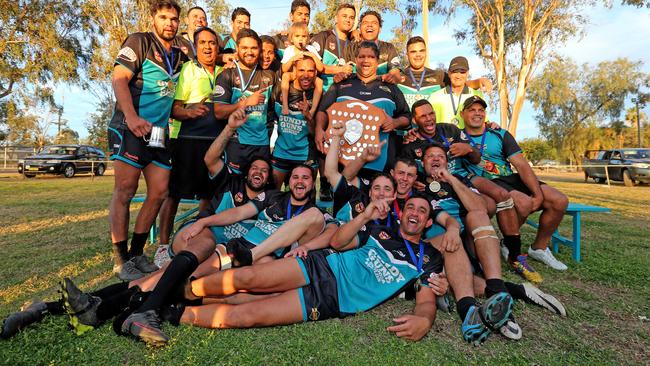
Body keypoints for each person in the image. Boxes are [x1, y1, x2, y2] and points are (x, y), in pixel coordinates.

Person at [107, 0, 188, 281]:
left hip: (159, 133)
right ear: (153, 18)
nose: (170, 23)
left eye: (174, 18)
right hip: (131, 127)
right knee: (125, 190)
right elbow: (119, 79)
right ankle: (121, 260)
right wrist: (131, 117)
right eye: (164, 17)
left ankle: (138, 253)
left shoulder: (179, 53)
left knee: (159, 192)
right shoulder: (139, 41)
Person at [460, 95, 569, 271]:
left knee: (559, 200)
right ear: (463, 114)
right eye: (472, 110)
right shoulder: (457, 136)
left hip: (510, 178)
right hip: (487, 183)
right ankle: (510, 242)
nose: (477, 113)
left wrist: (538, 194)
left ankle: (538, 248)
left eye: (481, 110)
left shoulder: (499, 133)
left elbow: (521, 164)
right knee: (524, 203)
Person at [156, 27, 223, 259]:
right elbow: (174, 109)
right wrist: (190, 111)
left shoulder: (225, 71)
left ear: (218, 46)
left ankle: (196, 241)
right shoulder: (187, 69)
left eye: (212, 43)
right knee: (173, 195)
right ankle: (163, 248)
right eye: (202, 42)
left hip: (215, 143)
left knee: (207, 196)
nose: (207, 47)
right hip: (188, 141)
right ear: (195, 47)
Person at [315, 41, 410, 178]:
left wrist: (395, 123)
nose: (366, 60)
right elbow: (323, 110)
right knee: (345, 198)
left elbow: (407, 117)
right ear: (355, 60)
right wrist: (319, 129)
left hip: (380, 164)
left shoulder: (391, 87)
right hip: (343, 164)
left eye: (371, 57)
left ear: (377, 61)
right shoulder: (341, 84)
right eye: (361, 57)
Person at [213, 28, 277, 174]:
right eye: (245, 48)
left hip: (262, 144)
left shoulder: (270, 75)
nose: (249, 52)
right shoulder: (226, 75)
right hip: (236, 143)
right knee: (235, 190)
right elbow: (218, 112)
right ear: (237, 48)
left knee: (259, 192)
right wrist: (246, 103)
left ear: (259, 49)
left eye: (254, 48)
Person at [397, 37, 491, 109]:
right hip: (404, 132)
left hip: (430, 132)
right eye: (413, 52)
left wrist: (479, 81)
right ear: (407, 55)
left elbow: (460, 83)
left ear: (426, 53)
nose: (418, 55)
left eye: (422, 51)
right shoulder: (397, 77)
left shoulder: (439, 76)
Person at [400, 99, 480, 181]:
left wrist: (469, 149)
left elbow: (477, 159)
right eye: (423, 116)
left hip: (462, 179)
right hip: (432, 186)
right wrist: (413, 183)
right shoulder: (410, 144)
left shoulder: (450, 129)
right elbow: (406, 175)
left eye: (431, 114)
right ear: (414, 120)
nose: (429, 118)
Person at [272, 57, 320, 188]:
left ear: (315, 73)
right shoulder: (279, 90)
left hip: (305, 154)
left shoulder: (318, 94)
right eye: (301, 70)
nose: (306, 75)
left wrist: (308, 116)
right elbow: (270, 117)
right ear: (294, 71)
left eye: (310, 71)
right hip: (282, 151)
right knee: (272, 192)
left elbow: (316, 132)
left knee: (307, 196)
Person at [429, 56, 485, 128]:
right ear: (449, 73)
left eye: (462, 72)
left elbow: (484, 122)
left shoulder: (477, 95)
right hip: (442, 138)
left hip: (469, 138)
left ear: (467, 73)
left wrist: (491, 124)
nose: (458, 76)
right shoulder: (434, 97)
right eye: (455, 72)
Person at [344, 11, 401, 78]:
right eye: (365, 23)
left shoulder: (389, 48)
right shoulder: (350, 48)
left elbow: (395, 70)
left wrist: (392, 76)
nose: (369, 25)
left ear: (380, 29)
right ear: (360, 29)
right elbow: (341, 71)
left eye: (374, 23)